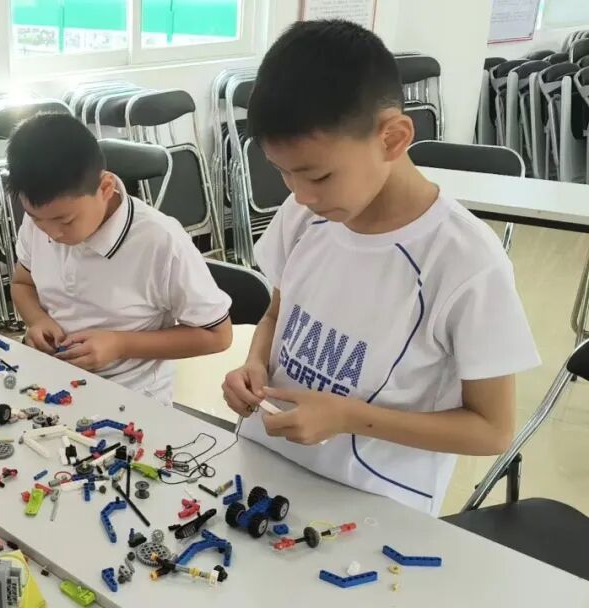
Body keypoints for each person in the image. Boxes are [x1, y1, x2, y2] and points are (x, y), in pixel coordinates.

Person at [221, 20, 539, 515]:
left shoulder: (466, 262)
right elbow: (276, 314)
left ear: (393, 137)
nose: (300, 195)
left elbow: (491, 430)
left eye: (318, 175)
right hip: (266, 468)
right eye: (284, 174)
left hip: (373, 507)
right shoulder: (305, 215)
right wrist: (255, 364)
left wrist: (347, 417)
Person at [7, 113, 234, 405]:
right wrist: (38, 320)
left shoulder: (160, 241)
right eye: (37, 219)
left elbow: (217, 335)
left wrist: (119, 344)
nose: (52, 234)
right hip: (55, 386)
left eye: (66, 220)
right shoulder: (41, 221)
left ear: (105, 188)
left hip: (132, 396)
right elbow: (22, 284)